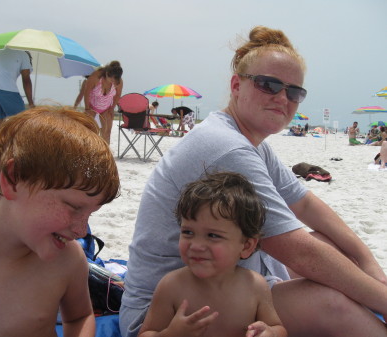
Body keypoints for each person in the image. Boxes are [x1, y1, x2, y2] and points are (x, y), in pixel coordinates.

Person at [120, 26, 387, 337]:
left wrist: (367, 262)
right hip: (173, 314)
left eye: (294, 92)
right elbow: (297, 250)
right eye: (268, 85)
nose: (282, 98)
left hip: (227, 277)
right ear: (237, 85)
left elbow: (305, 203)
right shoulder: (226, 146)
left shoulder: (250, 142)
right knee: (331, 303)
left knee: (333, 246)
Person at [0, 106, 120, 337]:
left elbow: (80, 316)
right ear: (14, 179)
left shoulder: (68, 261)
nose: (82, 230)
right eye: (74, 207)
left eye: (90, 214)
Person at [138, 172, 287, 337]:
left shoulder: (255, 286)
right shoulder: (172, 286)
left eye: (213, 236)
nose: (196, 245)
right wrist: (170, 334)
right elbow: (145, 334)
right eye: (188, 232)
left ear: (246, 246)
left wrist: (269, 332)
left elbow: (278, 328)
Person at [0, 49, 35, 132]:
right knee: (21, 121)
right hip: (5, 88)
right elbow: (26, 80)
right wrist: (31, 103)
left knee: (0, 123)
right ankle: (18, 144)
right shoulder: (24, 55)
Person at [83, 61, 123, 145]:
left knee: (107, 133)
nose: (112, 82)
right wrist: (87, 108)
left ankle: (104, 154)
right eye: (111, 79)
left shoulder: (118, 81)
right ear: (107, 73)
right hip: (92, 107)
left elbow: (118, 95)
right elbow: (86, 92)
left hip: (106, 108)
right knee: (90, 132)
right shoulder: (95, 77)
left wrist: (112, 108)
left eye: (114, 80)